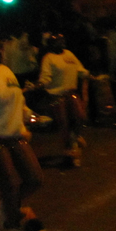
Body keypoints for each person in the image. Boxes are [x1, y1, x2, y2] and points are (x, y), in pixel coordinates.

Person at [0, 39, 47, 231]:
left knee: (35, 178)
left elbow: (18, 100)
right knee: (9, 185)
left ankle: (3, 207)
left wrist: (31, 115)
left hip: (15, 135)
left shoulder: (6, 71)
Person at [37, 33, 89, 167]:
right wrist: (41, 83)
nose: (62, 43)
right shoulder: (48, 58)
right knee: (64, 124)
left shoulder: (69, 54)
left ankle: (76, 138)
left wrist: (87, 75)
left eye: (62, 40)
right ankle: (70, 152)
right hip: (57, 96)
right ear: (51, 44)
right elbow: (46, 76)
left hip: (71, 93)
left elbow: (79, 69)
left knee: (80, 116)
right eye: (58, 41)